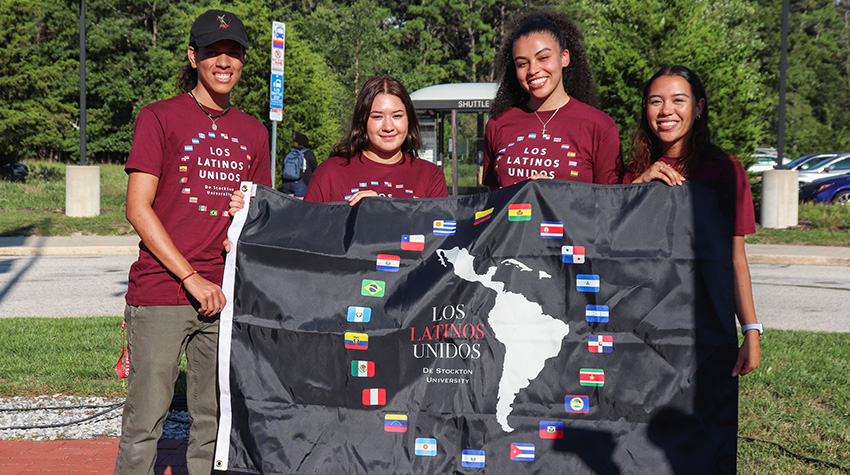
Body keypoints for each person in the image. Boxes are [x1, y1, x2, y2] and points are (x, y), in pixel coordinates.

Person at [116, 9, 271, 475]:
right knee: (145, 422)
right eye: (213, 53)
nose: (224, 62)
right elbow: (137, 208)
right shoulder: (159, 117)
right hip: (163, 290)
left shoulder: (254, 132)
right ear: (194, 56)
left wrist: (243, 220)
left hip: (224, 295)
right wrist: (190, 276)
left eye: (234, 54)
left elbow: (257, 216)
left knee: (214, 423)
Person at [623, 65, 761, 377]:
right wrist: (637, 190)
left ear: (698, 108)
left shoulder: (725, 171)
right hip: (636, 326)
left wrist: (751, 330)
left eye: (678, 100)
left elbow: (735, 258)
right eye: (655, 101)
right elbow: (611, 247)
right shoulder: (631, 172)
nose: (665, 110)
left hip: (703, 326)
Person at [482, 11, 623, 189]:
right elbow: (493, 199)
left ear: (564, 58)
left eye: (543, 58)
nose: (533, 70)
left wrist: (557, 195)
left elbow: (610, 202)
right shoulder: (498, 123)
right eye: (522, 63)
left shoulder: (600, 126)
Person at [281, 132, 318, 198]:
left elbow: (283, 167)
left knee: (289, 206)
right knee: (300, 207)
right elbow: (315, 169)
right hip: (301, 183)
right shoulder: (309, 154)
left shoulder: (290, 153)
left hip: (286, 183)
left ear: (297, 143)